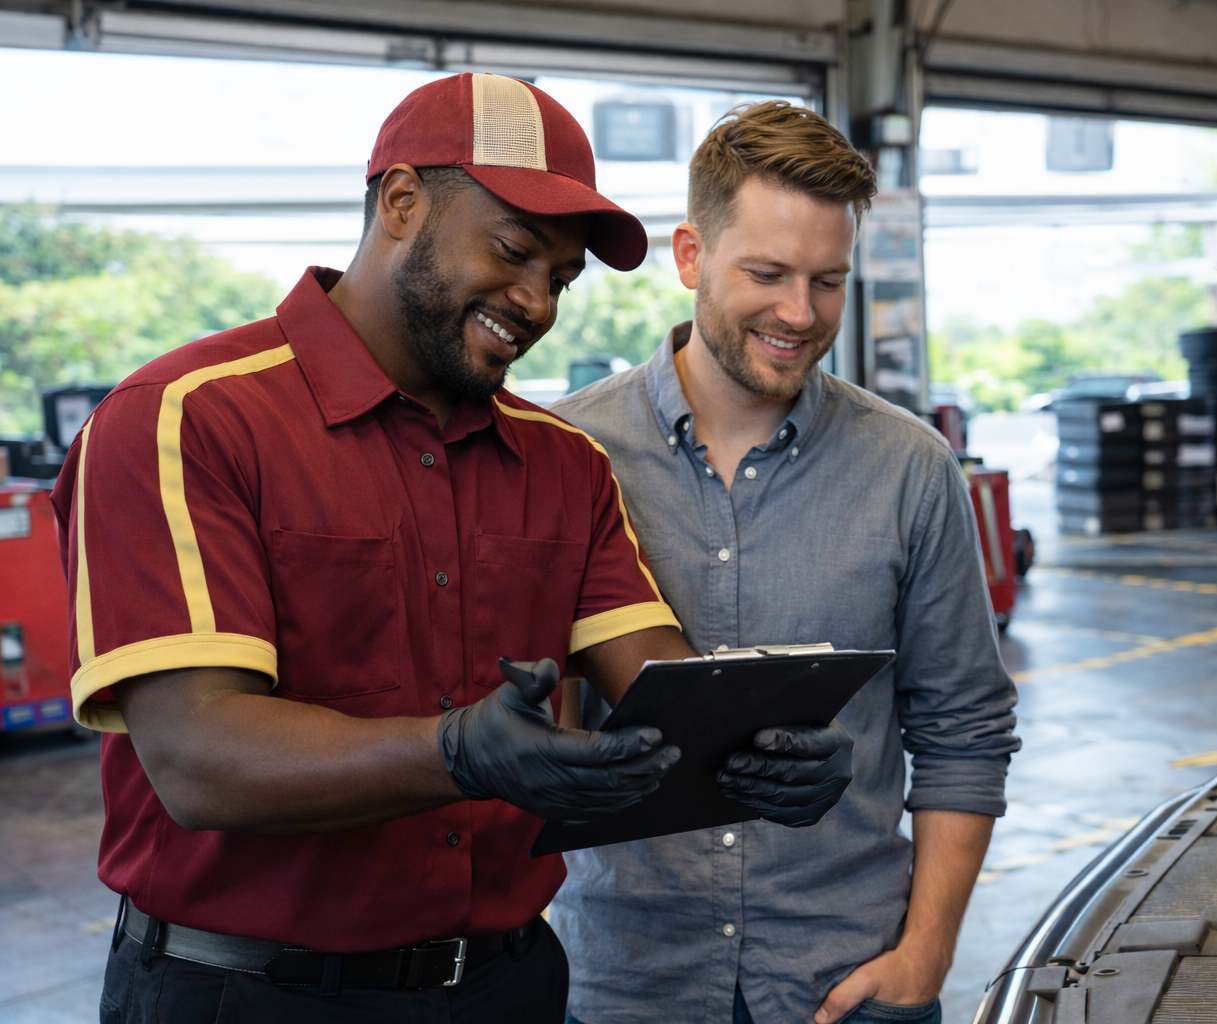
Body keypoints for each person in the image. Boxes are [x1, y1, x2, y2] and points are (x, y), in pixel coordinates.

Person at [55, 75, 852, 1024]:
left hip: (504, 986)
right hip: (248, 994)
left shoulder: (563, 462)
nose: (536, 301)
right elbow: (197, 759)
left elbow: (657, 683)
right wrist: (457, 753)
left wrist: (760, 745)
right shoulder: (186, 420)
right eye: (513, 251)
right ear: (401, 202)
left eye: (561, 278)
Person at [549, 102, 1020, 1024]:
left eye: (828, 281)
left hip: (846, 981)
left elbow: (964, 726)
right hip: (624, 982)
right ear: (690, 256)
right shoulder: (567, 452)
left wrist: (926, 956)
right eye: (766, 274)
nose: (800, 314)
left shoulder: (909, 468)